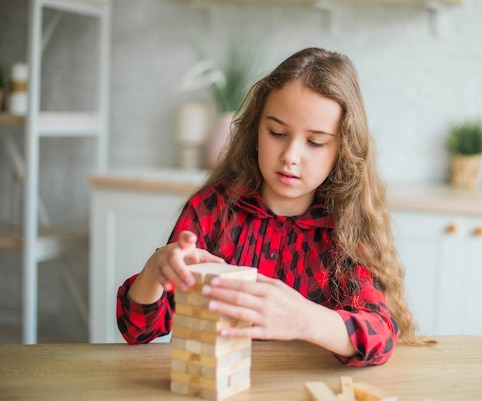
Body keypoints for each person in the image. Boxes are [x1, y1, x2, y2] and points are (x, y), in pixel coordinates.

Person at [116, 47, 426, 367]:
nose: (290, 155)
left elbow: (381, 336)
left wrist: (306, 319)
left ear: (342, 149)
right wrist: (155, 270)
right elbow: (136, 330)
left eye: (315, 142)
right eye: (277, 133)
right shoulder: (211, 211)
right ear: (256, 130)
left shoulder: (345, 227)